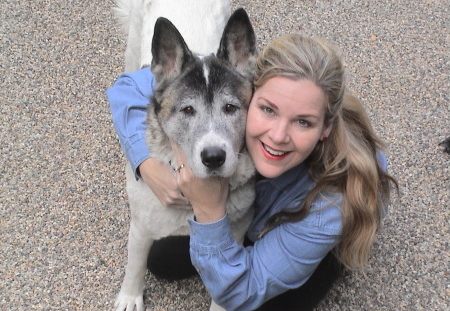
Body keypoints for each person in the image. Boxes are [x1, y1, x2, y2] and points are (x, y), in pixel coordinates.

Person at [107, 33, 397, 311]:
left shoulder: (328, 210)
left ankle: (330, 261)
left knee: (261, 304)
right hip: (249, 208)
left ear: (326, 128)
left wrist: (209, 210)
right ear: (252, 90)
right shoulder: (236, 75)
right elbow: (128, 88)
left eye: (304, 122)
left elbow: (238, 292)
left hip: (300, 225)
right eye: (268, 110)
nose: (278, 136)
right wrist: (144, 162)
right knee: (162, 262)